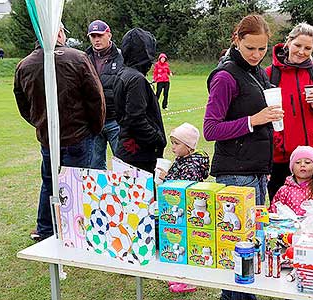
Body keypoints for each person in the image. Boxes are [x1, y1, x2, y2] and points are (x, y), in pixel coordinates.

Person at [204, 14, 282, 300]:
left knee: (250, 248)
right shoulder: (225, 77)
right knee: (239, 249)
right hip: (235, 173)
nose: (256, 55)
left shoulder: (257, 72)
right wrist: (254, 120)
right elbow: (210, 128)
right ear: (236, 40)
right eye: (250, 48)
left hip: (256, 170)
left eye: (262, 49)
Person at [13, 23, 105, 241]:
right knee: (77, 182)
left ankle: (45, 228)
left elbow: (24, 105)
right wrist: (94, 127)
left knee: (50, 182)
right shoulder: (78, 58)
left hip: (55, 136)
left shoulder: (25, 65)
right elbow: (95, 97)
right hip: (77, 134)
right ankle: (75, 229)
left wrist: (40, 124)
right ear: (60, 33)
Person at [265, 22, 313, 201]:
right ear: (288, 42)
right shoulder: (269, 74)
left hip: (311, 157)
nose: (301, 51)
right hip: (280, 157)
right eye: (298, 45)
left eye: (307, 48)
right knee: (279, 210)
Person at [158, 122, 209, 293]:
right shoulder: (182, 160)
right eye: (172, 142)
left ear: (188, 146)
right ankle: (178, 276)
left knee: (184, 244)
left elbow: (184, 188)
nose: (172, 147)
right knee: (177, 244)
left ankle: (188, 280)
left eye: (176, 143)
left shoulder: (191, 165)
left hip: (186, 211)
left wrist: (167, 179)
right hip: (178, 211)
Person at [113, 28, 166, 173]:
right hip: (138, 155)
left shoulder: (124, 73)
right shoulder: (136, 79)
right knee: (142, 194)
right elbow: (135, 118)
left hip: (129, 149)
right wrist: (156, 138)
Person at [86, 20, 123, 169]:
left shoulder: (122, 57)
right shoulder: (84, 58)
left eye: (100, 35)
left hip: (116, 120)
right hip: (93, 122)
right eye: (93, 36)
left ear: (109, 35)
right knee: (95, 167)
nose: (96, 39)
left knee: (123, 165)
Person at [269, 146, 313, 216]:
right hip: (289, 226)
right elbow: (273, 212)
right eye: (298, 162)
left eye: (307, 162)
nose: (302, 165)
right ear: (292, 169)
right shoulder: (284, 191)